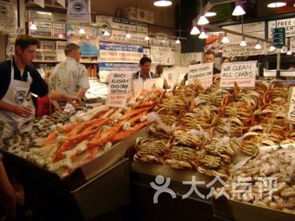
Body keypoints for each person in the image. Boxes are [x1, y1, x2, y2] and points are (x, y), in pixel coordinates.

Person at [0, 35, 80, 220]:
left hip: (22, 127)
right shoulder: (3, 70)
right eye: (30, 52)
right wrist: (13, 107)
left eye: (35, 52)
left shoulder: (30, 71)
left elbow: (47, 92)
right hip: (3, 127)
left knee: (24, 168)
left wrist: (67, 97)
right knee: (9, 172)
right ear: (19, 50)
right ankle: (10, 207)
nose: (33, 56)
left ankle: (25, 202)